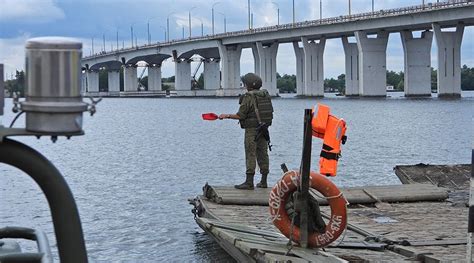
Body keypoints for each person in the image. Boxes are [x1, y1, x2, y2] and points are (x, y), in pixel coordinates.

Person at [219, 73, 274, 190]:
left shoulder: (248, 97)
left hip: (252, 130)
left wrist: (226, 115)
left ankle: (249, 182)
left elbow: (241, 115)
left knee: (250, 154)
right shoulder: (265, 94)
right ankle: (264, 181)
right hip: (264, 129)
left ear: (248, 85)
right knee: (263, 154)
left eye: (245, 83)